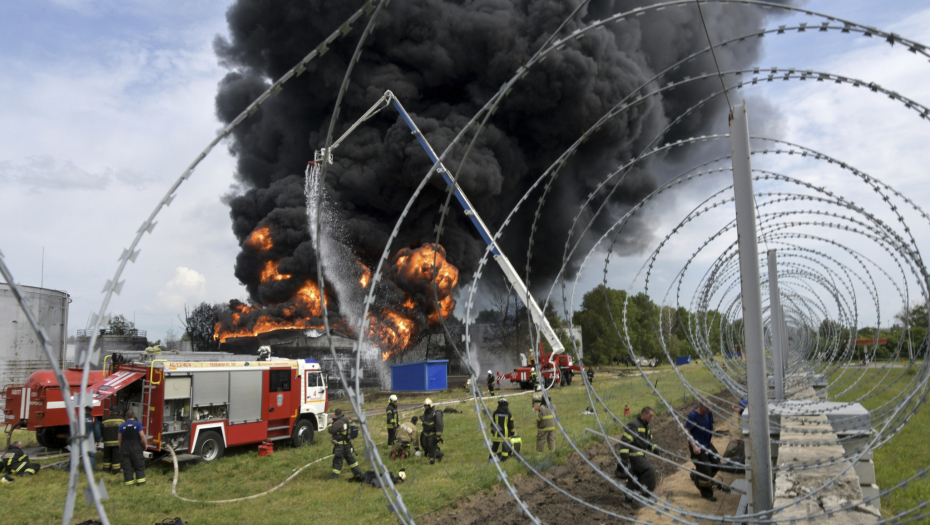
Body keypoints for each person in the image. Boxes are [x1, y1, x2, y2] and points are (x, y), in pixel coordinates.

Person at [686, 403, 727, 502]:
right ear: (701, 406)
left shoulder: (709, 413)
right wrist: (694, 446)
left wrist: (710, 438)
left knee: (717, 463)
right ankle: (706, 494)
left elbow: (710, 426)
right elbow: (687, 431)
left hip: (707, 444)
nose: (709, 409)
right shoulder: (692, 416)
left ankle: (698, 477)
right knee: (705, 470)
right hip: (697, 446)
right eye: (707, 407)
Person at [616, 406, 657, 504]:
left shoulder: (646, 426)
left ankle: (628, 499)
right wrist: (624, 459)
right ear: (645, 414)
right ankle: (647, 496)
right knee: (648, 470)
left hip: (641, 454)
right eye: (650, 416)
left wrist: (656, 449)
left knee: (636, 476)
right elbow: (625, 442)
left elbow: (649, 442)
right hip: (634, 455)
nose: (652, 418)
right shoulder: (634, 425)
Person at [328, 408, 363, 481]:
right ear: (341, 413)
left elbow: (331, 430)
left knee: (337, 460)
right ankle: (358, 473)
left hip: (340, 446)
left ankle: (334, 477)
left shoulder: (338, 422)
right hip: (347, 444)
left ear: (335, 414)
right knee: (351, 460)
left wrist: (330, 423)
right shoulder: (346, 420)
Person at [118, 409, 147, 486]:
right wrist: (146, 444)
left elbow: (119, 438)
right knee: (139, 466)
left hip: (125, 448)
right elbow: (142, 435)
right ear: (134, 415)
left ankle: (129, 484)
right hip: (136, 448)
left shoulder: (122, 425)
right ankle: (141, 483)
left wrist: (120, 447)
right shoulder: (138, 424)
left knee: (127, 467)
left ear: (126, 416)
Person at [101, 406, 125, 474]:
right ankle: (116, 471)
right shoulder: (122, 420)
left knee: (107, 457)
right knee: (116, 457)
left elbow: (101, 431)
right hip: (117, 443)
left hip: (107, 442)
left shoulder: (104, 420)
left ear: (110, 411)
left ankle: (106, 470)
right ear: (117, 411)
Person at [421, 398, 444, 464]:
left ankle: (431, 461)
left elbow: (440, 425)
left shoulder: (436, 413)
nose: (426, 407)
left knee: (431, 447)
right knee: (425, 446)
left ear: (430, 405)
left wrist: (438, 436)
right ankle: (439, 454)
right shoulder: (426, 412)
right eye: (425, 406)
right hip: (426, 433)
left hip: (432, 433)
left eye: (427, 406)